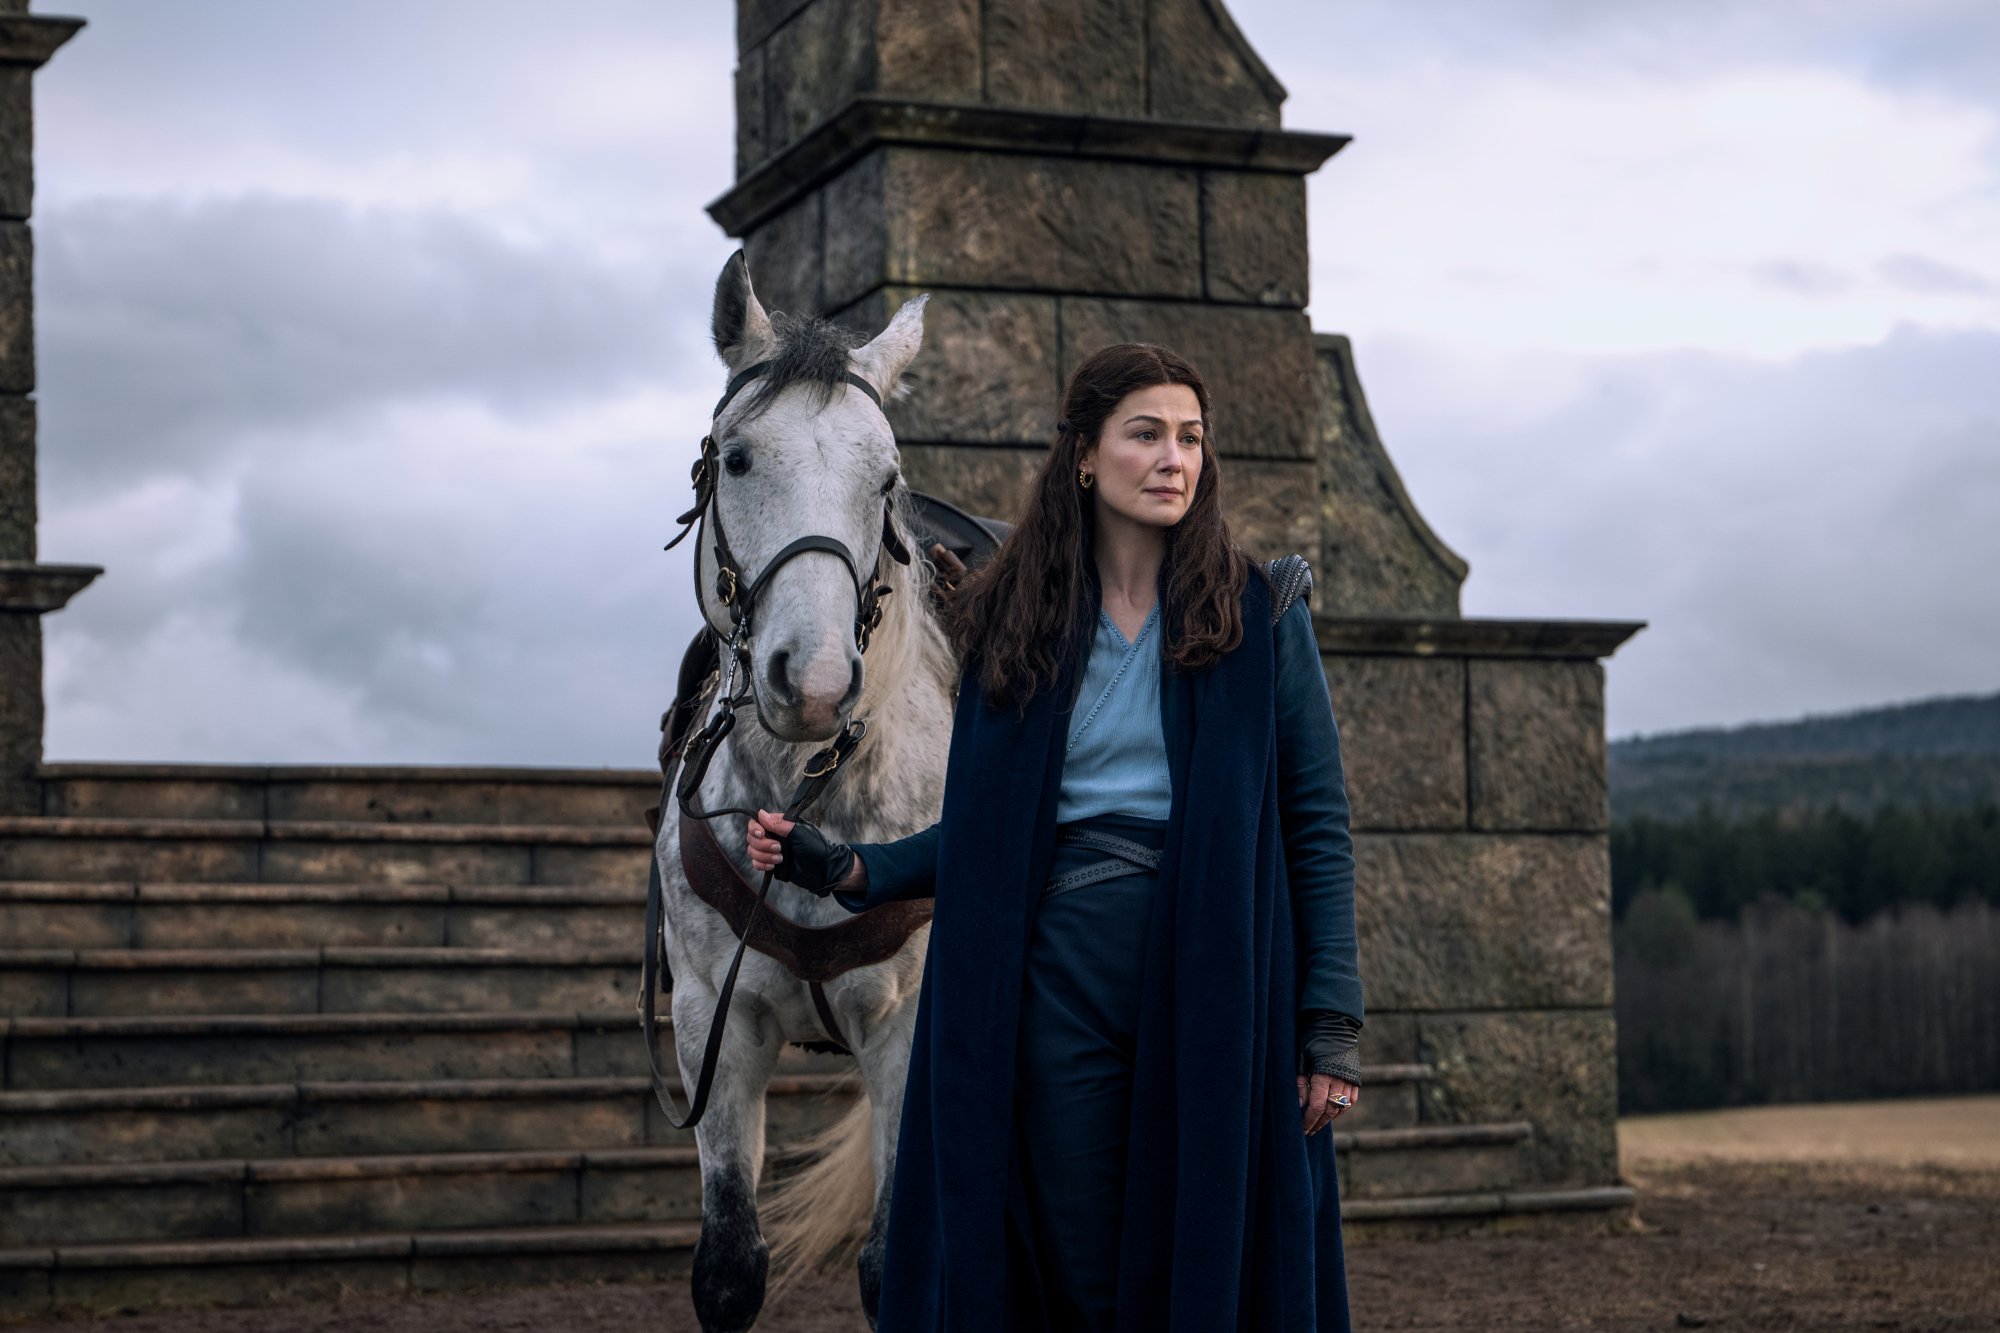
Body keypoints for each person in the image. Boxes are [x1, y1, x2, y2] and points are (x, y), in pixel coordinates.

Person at [746, 342, 1364, 1331]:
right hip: (1053, 975)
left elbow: (1315, 826)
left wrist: (1327, 1019)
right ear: (1083, 454)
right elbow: (990, 830)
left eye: (1190, 439)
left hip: (1217, 973)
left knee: (1197, 1249)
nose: (1173, 458)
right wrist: (859, 868)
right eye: (1146, 434)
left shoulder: (1259, 610)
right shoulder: (1014, 619)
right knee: (1076, 1257)